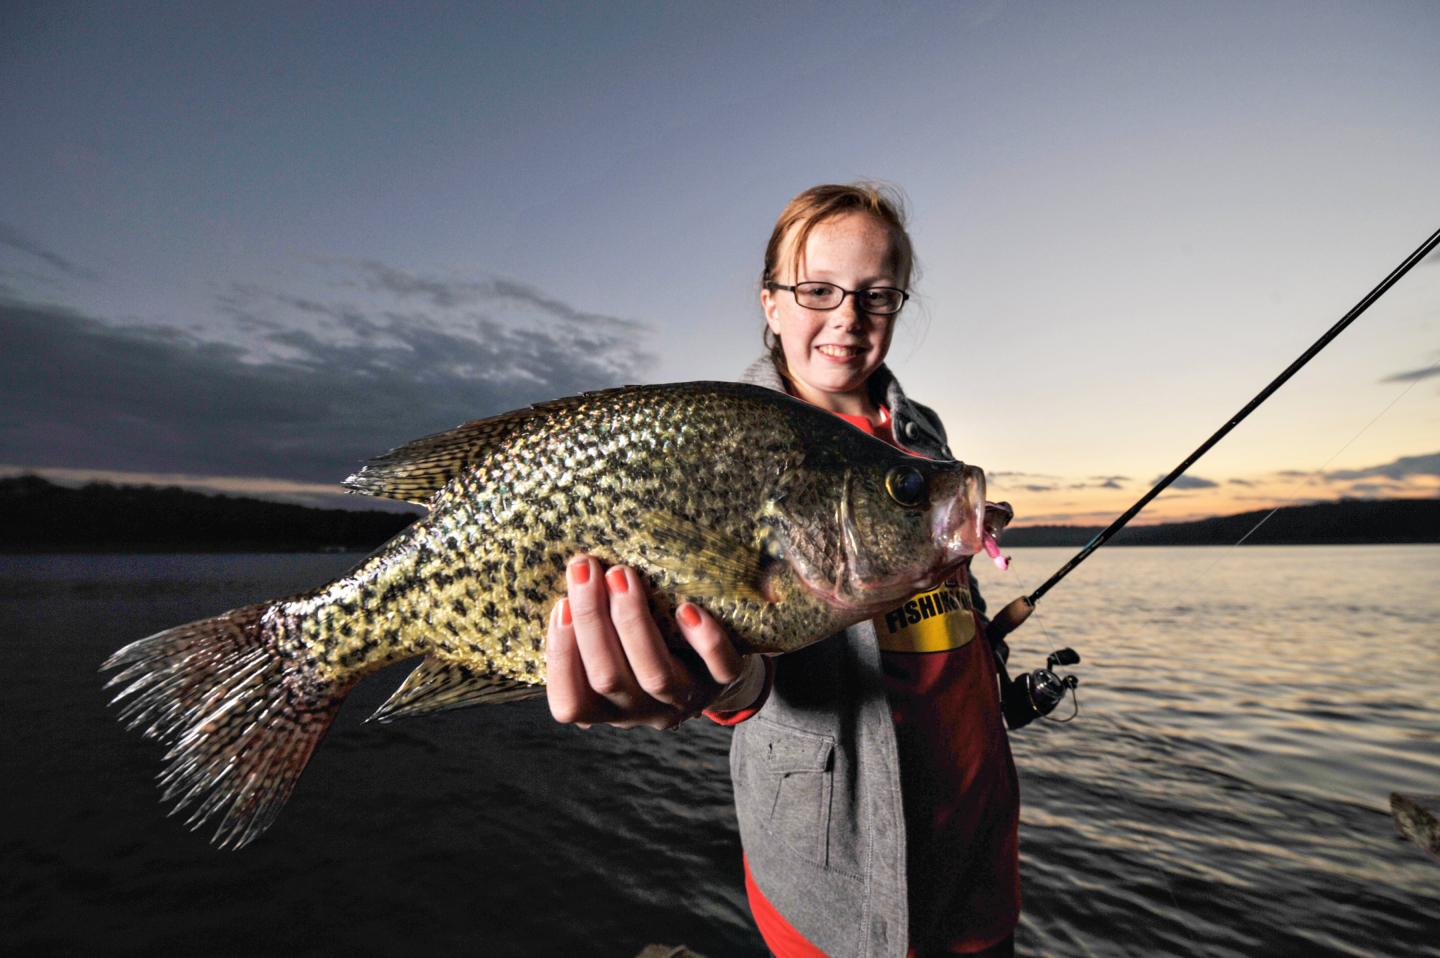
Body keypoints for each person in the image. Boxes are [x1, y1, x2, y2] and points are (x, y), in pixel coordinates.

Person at [545, 184, 1020, 958]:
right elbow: (744, 675)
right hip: (838, 888)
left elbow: (919, 584)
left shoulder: (922, 435)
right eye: (817, 290)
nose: (847, 316)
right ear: (770, 303)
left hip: (978, 842)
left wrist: (948, 541)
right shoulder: (730, 446)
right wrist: (719, 685)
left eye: (876, 294)